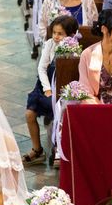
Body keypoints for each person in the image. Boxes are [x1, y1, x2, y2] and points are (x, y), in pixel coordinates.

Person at [24, 15, 78, 165]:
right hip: (46, 83)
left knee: (59, 115)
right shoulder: (49, 44)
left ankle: (58, 149)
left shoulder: (74, 48)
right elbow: (41, 68)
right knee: (29, 114)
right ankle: (37, 149)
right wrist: (47, 89)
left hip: (63, 85)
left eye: (60, 34)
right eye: (54, 32)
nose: (56, 36)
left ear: (70, 35)